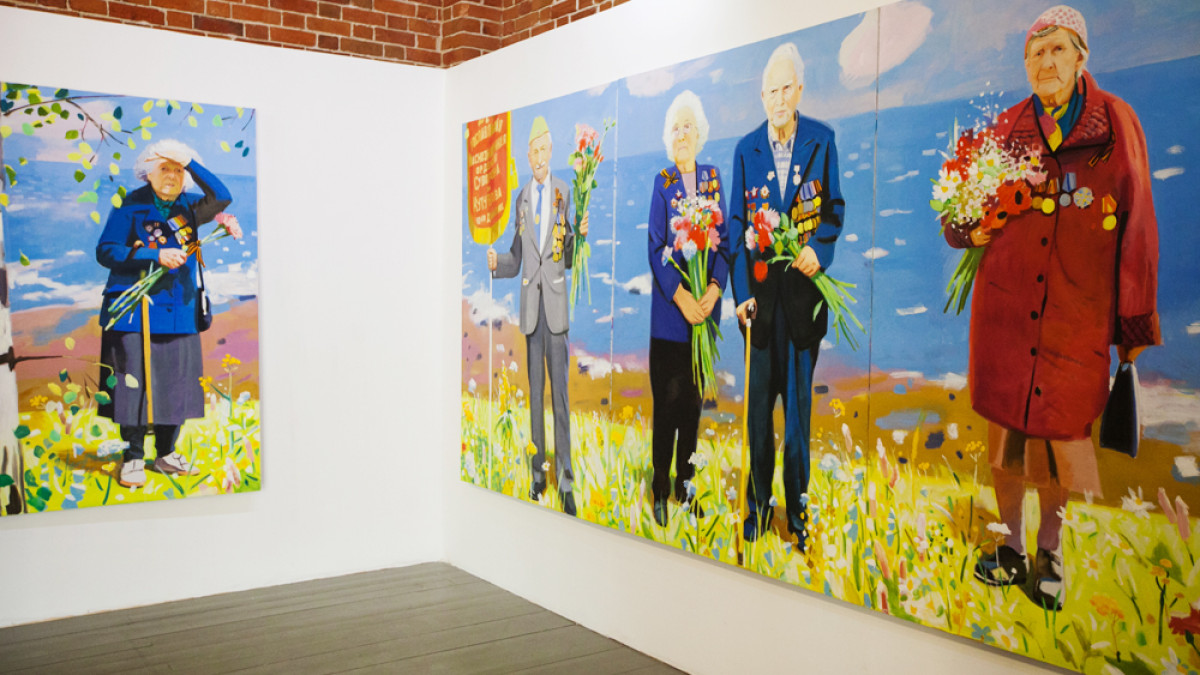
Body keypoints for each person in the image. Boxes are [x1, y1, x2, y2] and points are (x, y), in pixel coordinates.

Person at [944, 6, 1159, 610]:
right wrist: (969, 230)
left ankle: (1050, 552)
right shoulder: (1005, 128)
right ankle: (1010, 545)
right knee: (1006, 440)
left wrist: (1132, 325)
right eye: (1036, 52)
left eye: (1058, 49)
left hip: (1075, 314)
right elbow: (957, 211)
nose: (1046, 62)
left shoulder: (1116, 123)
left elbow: (1139, 225)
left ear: (1081, 57)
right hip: (1006, 315)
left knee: (1061, 437)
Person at [729, 43, 845, 551]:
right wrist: (740, 295)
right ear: (762, 96)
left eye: (785, 89)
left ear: (799, 90)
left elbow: (834, 210)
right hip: (759, 309)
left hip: (801, 309)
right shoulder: (745, 150)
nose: (778, 99)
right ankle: (757, 511)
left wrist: (820, 249)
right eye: (770, 91)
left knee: (797, 424)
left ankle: (798, 518)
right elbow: (735, 229)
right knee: (758, 421)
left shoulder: (822, 140)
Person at [97, 139, 242, 489]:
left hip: (179, 308)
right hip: (134, 310)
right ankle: (133, 456)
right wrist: (153, 255)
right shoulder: (130, 204)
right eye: (165, 168)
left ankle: (165, 452)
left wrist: (189, 160)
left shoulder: (190, 206)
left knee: (175, 385)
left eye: (178, 170)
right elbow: (106, 251)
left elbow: (222, 196)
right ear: (148, 172)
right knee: (133, 385)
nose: (172, 176)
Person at [488, 117, 587, 517]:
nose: (540, 157)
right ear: (527, 156)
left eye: (545, 149)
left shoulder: (565, 192)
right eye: (535, 151)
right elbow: (517, 258)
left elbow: (569, 256)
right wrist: (497, 263)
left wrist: (580, 235)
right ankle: (538, 476)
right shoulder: (521, 199)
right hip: (532, 312)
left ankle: (565, 482)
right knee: (535, 398)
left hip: (557, 311)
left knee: (560, 398)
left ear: (551, 152)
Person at [646, 91, 729, 526]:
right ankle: (660, 489)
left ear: (700, 133)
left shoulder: (713, 178)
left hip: (704, 321)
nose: (682, 134)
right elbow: (655, 247)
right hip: (670, 323)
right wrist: (682, 297)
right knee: (666, 410)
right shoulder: (662, 182)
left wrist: (713, 290)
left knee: (692, 412)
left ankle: (686, 486)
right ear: (669, 136)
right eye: (675, 128)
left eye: (688, 126)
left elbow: (724, 244)